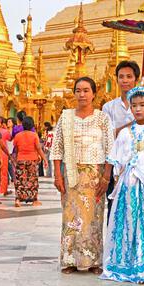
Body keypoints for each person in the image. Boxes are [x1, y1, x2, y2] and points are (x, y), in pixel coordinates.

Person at [100, 85, 144, 284]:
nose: (138, 109)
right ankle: (122, 264)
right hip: (126, 186)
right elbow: (114, 159)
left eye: (142, 105)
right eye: (134, 105)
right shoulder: (124, 134)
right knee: (124, 222)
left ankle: (143, 267)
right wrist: (110, 176)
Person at [51, 77, 114, 275]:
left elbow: (110, 149)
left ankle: (93, 260)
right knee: (70, 216)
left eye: (86, 90)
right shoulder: (66, 117)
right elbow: (57, 148)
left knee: (93, 216)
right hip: (71, 173)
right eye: (78, 90)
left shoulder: (102, 118)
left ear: (94, 93)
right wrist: (57, 176)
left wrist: (106, 177)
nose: (82, 94)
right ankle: (70, 259)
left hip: (95, 175)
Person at [102, 61, 144, 224]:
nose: (125, 80)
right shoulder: (109, 107)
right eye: (121, 77)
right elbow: (109, 135)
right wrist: (134, 122)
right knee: (116, 212)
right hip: (119, 167)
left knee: (143, 213)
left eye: (129, 76)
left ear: (136, 79)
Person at [13, 116, 47, 207]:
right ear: (32, 125)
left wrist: (15, 159)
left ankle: (18, 199)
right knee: (32, 180)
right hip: (32, 160)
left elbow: (16, 149)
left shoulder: (18, 135)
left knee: (20, 180)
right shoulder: (34, 135)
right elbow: (39, 149)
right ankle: (34, 200)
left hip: (20, 159)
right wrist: (45, 159)